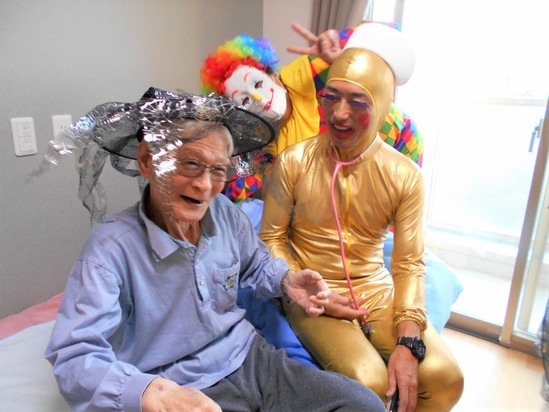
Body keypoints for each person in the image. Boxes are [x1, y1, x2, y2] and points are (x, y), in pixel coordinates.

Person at [43, 88, 386, 411]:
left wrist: (286, 281)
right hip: (179, 385)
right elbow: (74, 355)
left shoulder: (224, 214)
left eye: (218, 170)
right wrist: (150, 391)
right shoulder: (110, 250)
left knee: (362, 404)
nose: (205, 185)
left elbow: (255, 264)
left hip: (252, 359)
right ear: (147, 162)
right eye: (190, 164)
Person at [259, 23, 464, 411]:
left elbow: (409, 263)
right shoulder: (294, 160)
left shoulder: (405, 175)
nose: (339, 113)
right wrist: (301, 286)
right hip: (314, 289)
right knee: (368, 381)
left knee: (445, 378)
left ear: (382, 106)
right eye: (331, 97)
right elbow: (270, 238)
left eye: (358, 101)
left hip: (375, 289)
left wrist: (409, 337)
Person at [200, 21, 422, 202]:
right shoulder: (265, 143)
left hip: (398, 140)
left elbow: (386, 33)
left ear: (273, 75)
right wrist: (217, 151)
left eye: (258, 84)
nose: (259, 99)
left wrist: (344, 56)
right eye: (245, 100)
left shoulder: (308, 74)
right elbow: (234, 190)